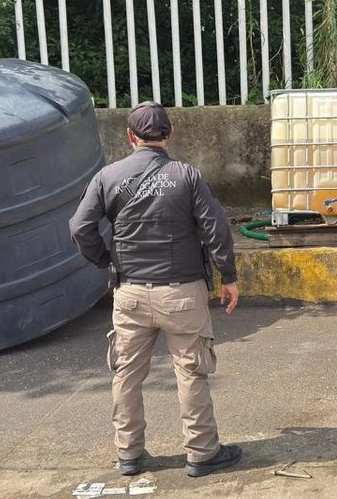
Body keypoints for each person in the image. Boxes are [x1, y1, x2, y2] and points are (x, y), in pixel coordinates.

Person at [69, 101, 242, 478]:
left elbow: (80, 227)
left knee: (126, 375)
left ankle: (128, 454)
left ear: (130, 136)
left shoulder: (107, 177)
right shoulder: (188, 176)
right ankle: (202, 453)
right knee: (191, 372)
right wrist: (228, 275)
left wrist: (107, 260)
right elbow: (215, 228)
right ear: (170, 133)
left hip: (130, 294)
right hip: (182, 294)